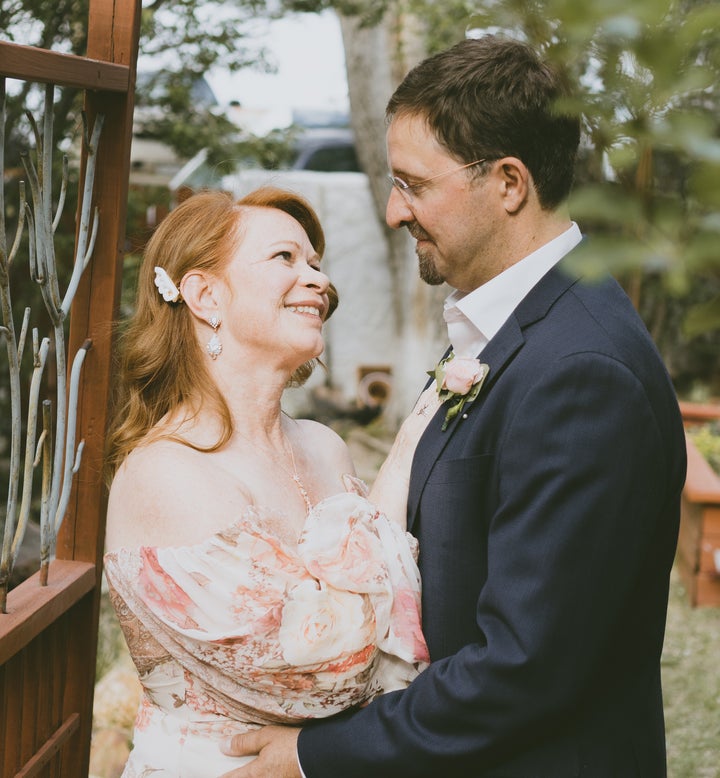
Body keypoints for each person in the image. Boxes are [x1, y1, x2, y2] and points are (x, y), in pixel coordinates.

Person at [220, 34, 687, 777]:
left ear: (507, 183)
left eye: (412, 183)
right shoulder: (508, 331)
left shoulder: (582, 370)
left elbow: (522, 669)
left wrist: (313, 755)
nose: (392, 208)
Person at [103, 186, 438, 777]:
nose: (319, 280)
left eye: (315, 262)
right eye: (285, 258)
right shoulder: (167, 472)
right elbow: (329, 670)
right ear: (205, 295)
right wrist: (416, 433)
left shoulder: (324, 446)